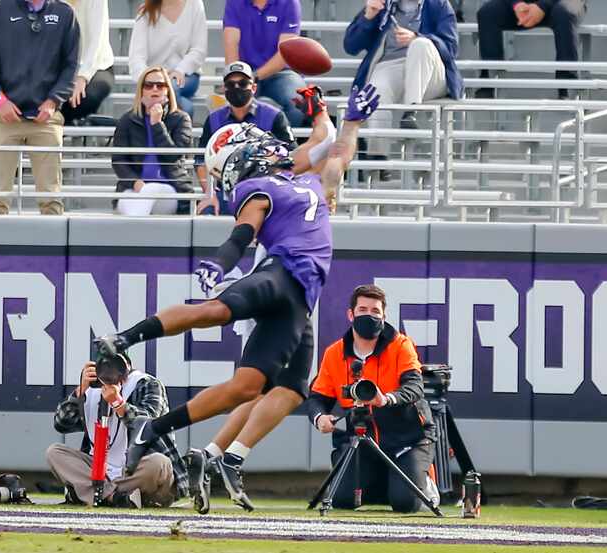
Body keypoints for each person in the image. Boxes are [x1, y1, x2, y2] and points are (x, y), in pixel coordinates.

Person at [94, 83, 380, 512]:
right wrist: (221, 263)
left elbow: (336, 152)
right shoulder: (261, 187)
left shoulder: (304, 181)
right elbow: (244, 231)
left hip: (301, 300)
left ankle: (164, 433)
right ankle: (126, 339)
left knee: (265, 388)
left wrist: (348, 118)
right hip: (279, 275)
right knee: (215, 310)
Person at [305, 284, 437, 513]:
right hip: (361, 441)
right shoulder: (335, 353)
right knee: (342, 500)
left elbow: (415, 387)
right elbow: (317, 397)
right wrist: (319, 418)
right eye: (363, 310)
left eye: (375, 311)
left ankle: (422, 482)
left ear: (384, 316)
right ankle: (387, 482)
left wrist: (385, 399)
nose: (369, 315)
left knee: (406, 503)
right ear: (351, 314)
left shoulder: (401, 345)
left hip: (407, 439)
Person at [0, 0, 79, 215]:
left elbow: (71, 65)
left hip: (46, 118)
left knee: (51, 199)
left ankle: (53, 247)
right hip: (4, 116)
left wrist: (53, 101)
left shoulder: (65, 13)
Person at [46, 355, 189, 508]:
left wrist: (118, 403)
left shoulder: (146, 383)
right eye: (105, 368)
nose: (111, 373)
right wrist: (80, 392)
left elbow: (147, 425)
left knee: (159, 463)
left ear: (128, 367)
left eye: (117, 367)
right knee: (54, 452)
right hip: (101, 473)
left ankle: (97, 494)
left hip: (136, 469)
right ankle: (114, 497)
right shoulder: (92, 390)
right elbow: (62, 423)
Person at [344, 0, 463, 161]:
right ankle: (377, 157)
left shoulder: (438, 5)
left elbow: (451, 48)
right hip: (392, 64)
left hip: (430, 71)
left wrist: (417, 37)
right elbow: (351, 46)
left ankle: (411, 112)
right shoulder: (383, 6)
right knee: (377, 88)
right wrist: (368, 17)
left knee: (420, 45)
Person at [196, 61, 294, 215]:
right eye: (230, 84)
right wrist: (210, 194)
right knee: (207, 211)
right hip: (224, 190)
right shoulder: (214, 119)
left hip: (265, 186)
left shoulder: (274, 116)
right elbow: (201, 161)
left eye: (243, 83)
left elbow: (290, 155)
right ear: (224, 88)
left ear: (253, 87)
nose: (236, 88)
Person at [112, 65, 193, 216]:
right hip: (134, 187)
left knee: (150, 190)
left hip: (170, 188)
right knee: (133, 204)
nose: (154, 89)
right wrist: (135, 182)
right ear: (141, 90)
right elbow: (118, 160)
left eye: (160, 85)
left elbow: (174, 156)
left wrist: (157, 124)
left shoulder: (181, 119)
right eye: (148, 85)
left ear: (167, 90)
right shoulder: (127, 120)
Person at [477, 0, 588, 99]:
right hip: (526, 6)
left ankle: (567, 82)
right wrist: (517, 4)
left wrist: (542, 6)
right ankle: (490, 79)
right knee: (488, 13)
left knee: (563, 12)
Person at [223, 0, 307, 128]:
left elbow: (285, 53)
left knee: (296, 100)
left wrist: (253, 76)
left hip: (282, 73)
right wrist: (236, 76)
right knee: (234, 97)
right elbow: (231, 44)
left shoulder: (289, 3)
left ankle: (284, 143)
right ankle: (239, 143)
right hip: (244, 72)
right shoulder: (234, 2)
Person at [128, 0, 206, 118]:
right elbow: (136, 58)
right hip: (153, 79)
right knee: (184, 106)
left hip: (186, 75)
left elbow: (199, 50)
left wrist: (180, 70)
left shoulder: (194, 5)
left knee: (170, 87)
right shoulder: (146, 12)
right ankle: (181, 122)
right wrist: (151, 78)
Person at [60, 0, 114, 124]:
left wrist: (82, 76)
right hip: (61, 66)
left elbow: (96, 40)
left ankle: (56, 125)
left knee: (85, 98)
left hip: (97, 66)